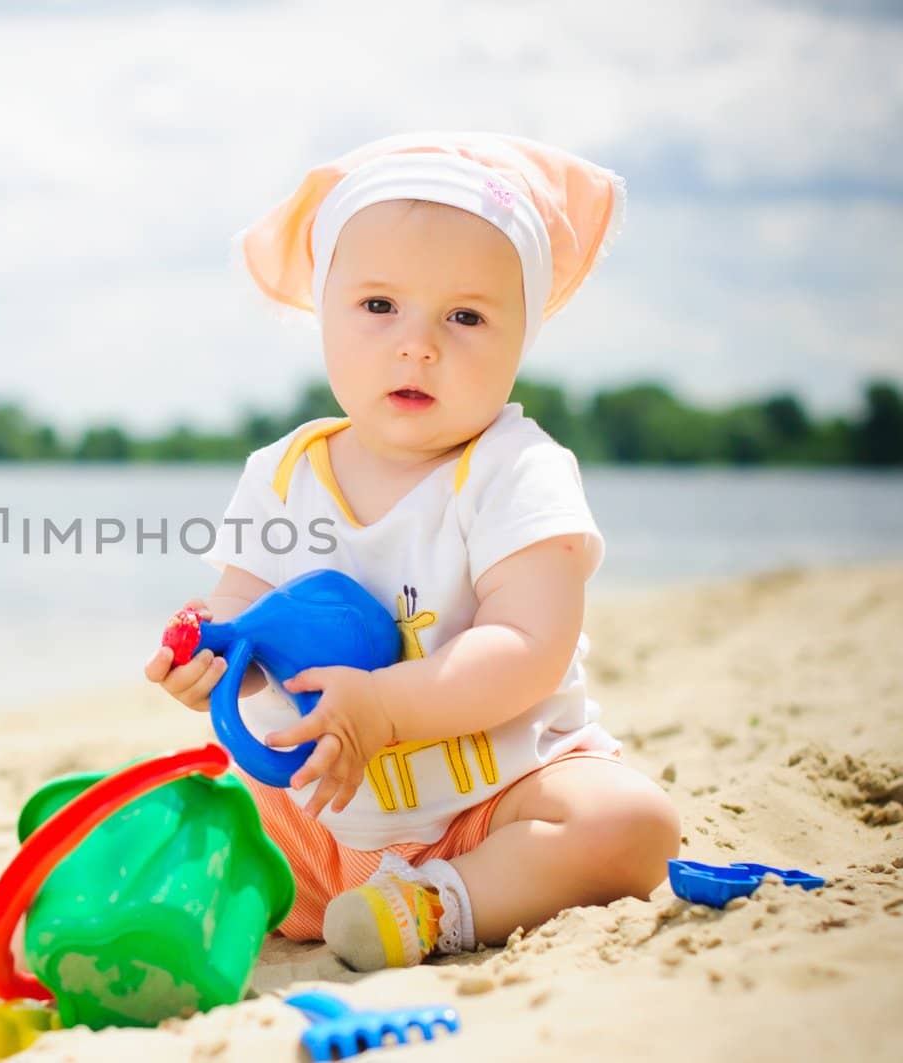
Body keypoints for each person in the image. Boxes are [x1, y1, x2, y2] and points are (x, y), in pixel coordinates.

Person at [144, 132, 680, 972]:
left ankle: (430, 907)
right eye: (378, 306)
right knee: (182, 808)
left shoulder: (516, 471)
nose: (417, 344)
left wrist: (387, 710)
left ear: (523, 337)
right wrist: (209, 649)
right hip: (318, 806)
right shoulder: (281, 473)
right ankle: (165, 911)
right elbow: (243, 610)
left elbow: (528, 647)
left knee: (632, 823)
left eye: (465, 316)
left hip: (491, 804)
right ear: (323, 311)